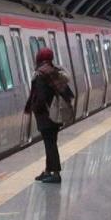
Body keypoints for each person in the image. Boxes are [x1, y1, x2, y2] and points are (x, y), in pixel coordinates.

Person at [24, 48, 74, 184]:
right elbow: (67, 93)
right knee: (51, 143)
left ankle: (56, 173)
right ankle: (47, 171)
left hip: (46, 116)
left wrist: (35, 108)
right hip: (56, 114)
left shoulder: (40, 75)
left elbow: (40, 97)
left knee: (50, 144)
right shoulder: (55, 72)